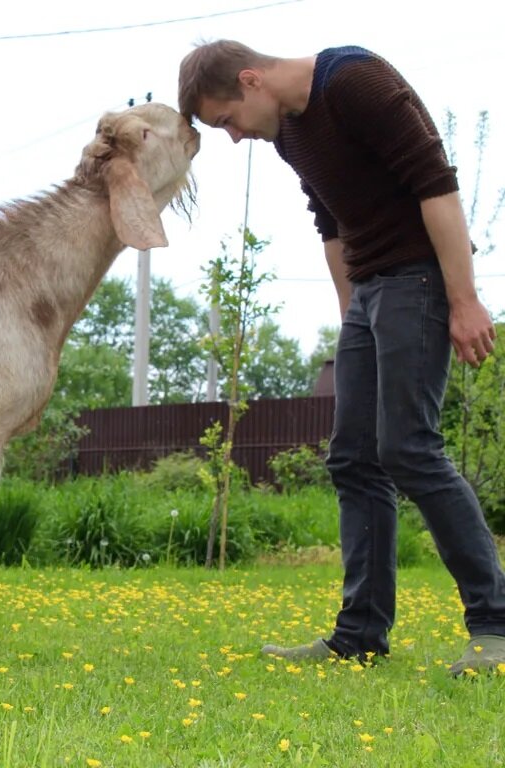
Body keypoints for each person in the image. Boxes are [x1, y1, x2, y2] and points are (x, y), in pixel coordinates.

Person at [177, 40, 505, 675]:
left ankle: (495, 624)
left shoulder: (355, 82)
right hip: (372, 290)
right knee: (354, 457)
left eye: (226, 121)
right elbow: (330, 221)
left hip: (420, 278)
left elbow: (436, 185)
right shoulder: (289, 132)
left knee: (409, 447)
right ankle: (359, 635)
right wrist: (351, 313)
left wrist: (463, 301)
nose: (234, 138)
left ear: (251, 81)